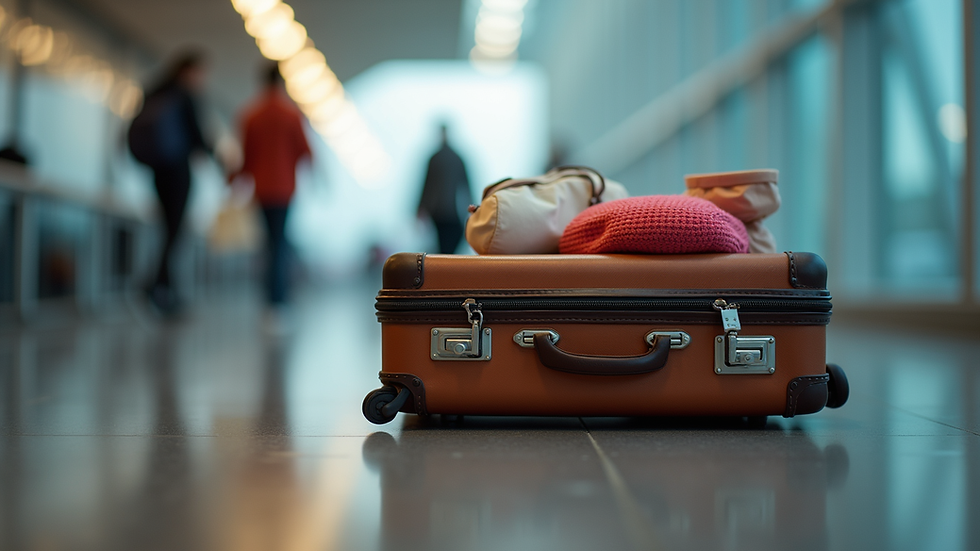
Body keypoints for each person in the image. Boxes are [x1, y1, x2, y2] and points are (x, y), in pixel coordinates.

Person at [129, 50, 216, 316]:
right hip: (178, 171)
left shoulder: (155, 91)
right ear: (187, 71)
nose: (202, 79)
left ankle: (162, 288)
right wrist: (218, 158)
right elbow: (198, 135)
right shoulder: (184, 94)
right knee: (175, 232)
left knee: (167, 230)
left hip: (157, 171)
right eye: (200, 73)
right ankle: (158, 287)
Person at [230, 63, 311, 323]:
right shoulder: (291, 115)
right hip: (285, 189)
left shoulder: (251, 115)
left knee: (269, 244)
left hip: (262, 189)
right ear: (282, 82)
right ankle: (279, 302)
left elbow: (246, 157)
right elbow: (305, 152)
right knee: (280, 243)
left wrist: (233, 180)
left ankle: (269, 301)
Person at [418, 124, 471, 254]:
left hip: (442, 212)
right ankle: (443, 269)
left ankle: (442, 269)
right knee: (445, 246)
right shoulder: (456, 157)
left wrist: (420, 207)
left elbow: (426, 185)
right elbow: (427, 184)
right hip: (448, 212)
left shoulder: (435, 158)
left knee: (444, 247)